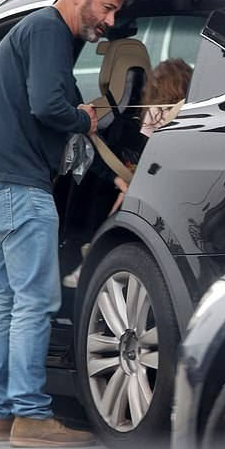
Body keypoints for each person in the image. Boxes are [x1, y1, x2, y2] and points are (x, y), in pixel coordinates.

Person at [0, 0, 133, 447]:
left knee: (10, 301)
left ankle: (2, 414)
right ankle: (31, 417)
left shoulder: (44, 36)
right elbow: (51, 108)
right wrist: (87, 120)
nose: (110, 21)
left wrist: (109, 174)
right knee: (35, 301)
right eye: (107, 7)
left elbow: (60, 109)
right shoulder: (48, 29)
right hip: (17, 185)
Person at [62, 57, 193, 288]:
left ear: (157, 86)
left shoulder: (153, 112)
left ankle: (93, 254)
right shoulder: (184, 112)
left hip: (146, 175)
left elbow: (146, 148)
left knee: (122, 199)